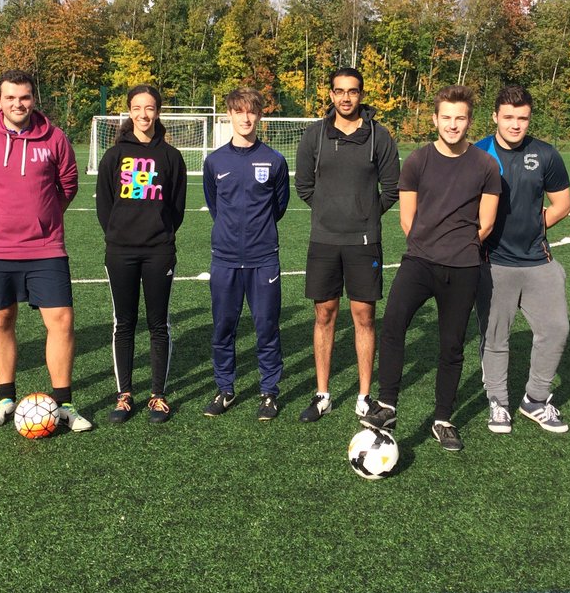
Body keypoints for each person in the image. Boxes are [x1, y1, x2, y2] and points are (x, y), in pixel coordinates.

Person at [361, 85, 501, 451]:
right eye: (446, 117)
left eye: (460, 118)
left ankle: (443, 418)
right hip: (419, 263)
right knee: (392, 325)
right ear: (435, 119)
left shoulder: (486, 165)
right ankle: (388, 405)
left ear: (470, 120)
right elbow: (407, 218)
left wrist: (459, 248)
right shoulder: (418, 161)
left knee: (452, 345)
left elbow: (485, 223)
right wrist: (430, 246)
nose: (453, 125)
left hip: (464, 267)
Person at [0, 70, 91, 432]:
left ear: (34, 99)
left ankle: (64, 404)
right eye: (11, 97)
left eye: (25, 97)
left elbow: (68, 186)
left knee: (61, 321)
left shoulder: (55, 138)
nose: (19, 104)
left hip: (46, 248)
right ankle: (5, 398)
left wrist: (42, 221)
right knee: (1, 321)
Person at [294, 67, 400, 423]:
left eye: (352, 91)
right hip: (324, 240)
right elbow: (304, 186)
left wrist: (366, 214)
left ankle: (364, 396)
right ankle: (322, 394)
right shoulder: (315, 136)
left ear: (361, 94)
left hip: (364, 242)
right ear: (330, 94)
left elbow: (392, 188)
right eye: (339, 91)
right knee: (324, 314)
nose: (345, 98)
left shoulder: (379, 136)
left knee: (364, 317)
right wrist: (329, 213)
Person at [474, 85, 570, 435]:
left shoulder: (545, 153)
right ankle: (498, 402)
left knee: (556, 328)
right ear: (496, 117)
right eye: (509, 117)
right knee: (496, 335)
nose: (516, 125)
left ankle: (535, 399)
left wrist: (535, 223)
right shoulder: (479, 153)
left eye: (523, 118)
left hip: (537, 260)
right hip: (493, 261)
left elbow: (562, 203)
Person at [95, 85, 188, 424]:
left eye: (149, 108)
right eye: (137, 108)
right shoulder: (114, 155)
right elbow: (104, 206)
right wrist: (120, 234)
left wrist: (159, 234)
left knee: (158, 323)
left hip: (158, 252)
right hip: (120, 251)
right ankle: (124, 396)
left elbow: (176, 207)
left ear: (158, 112)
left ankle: (158, 396)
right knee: (124, 323)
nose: (143, 114)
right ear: (129, 111)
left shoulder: (171, 157)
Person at [201, 87, 290, 421]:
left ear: (260, 116)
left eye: (252, 111)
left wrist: (257, 231)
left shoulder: (275, 160)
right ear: (229, 115)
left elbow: (278, 207)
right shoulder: (215, 161)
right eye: (239, 111)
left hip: (263, 257)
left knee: (266, 327)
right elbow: (214, 204)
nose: (246, 118)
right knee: (223, 327)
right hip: (224, 259)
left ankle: (269, 393)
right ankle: (225, 389)